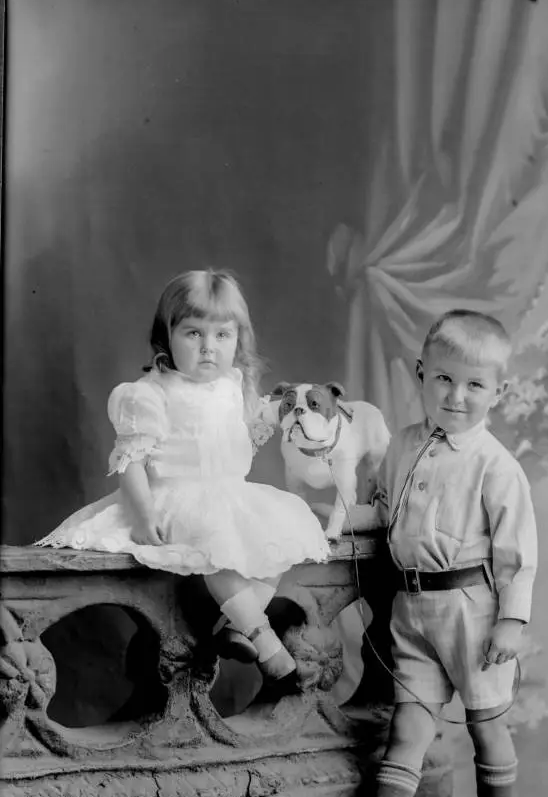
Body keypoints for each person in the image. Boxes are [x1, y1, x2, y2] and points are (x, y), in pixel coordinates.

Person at [315, 309, 538, 797]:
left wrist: (512, 620)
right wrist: (331, 520)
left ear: (498, 391)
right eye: (443, 378)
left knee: (485, 720)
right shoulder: (403, 445)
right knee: (409, 725)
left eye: (475, 385)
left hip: (471, 609)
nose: (457, 396)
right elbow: (384, 514)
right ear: (420, 373)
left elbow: (516, 554)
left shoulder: (496, 465)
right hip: (412, 611)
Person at [37, 268, 331, 697]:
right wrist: (141, 514)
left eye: (222, 336)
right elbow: (130, 462)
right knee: (221, 555)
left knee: (280, 543)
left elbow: (240, 437)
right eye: (194, 333)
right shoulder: (150, 393)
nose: (209, 347)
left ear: (238, 341)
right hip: (178, 497)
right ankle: (268, 649)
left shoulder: (232, 385)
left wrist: (298, 419)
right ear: (168, 335)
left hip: (229, 492)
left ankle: (234, 626)